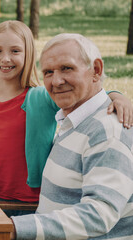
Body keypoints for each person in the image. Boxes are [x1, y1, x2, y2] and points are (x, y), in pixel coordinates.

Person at [0, 21, 133, 216]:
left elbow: (88, 94)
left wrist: (118, 96)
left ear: (29, 55)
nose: (5, 58)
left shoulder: (40, 97)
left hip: (34, 202)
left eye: (15, 51)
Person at [10, 33, 133, 239]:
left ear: (96, 70)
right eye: (48, 72)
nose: (56, 81)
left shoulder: (107, 131)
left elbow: (98, 216)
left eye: (67, 68)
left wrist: (14, 229)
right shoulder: (76, 120)